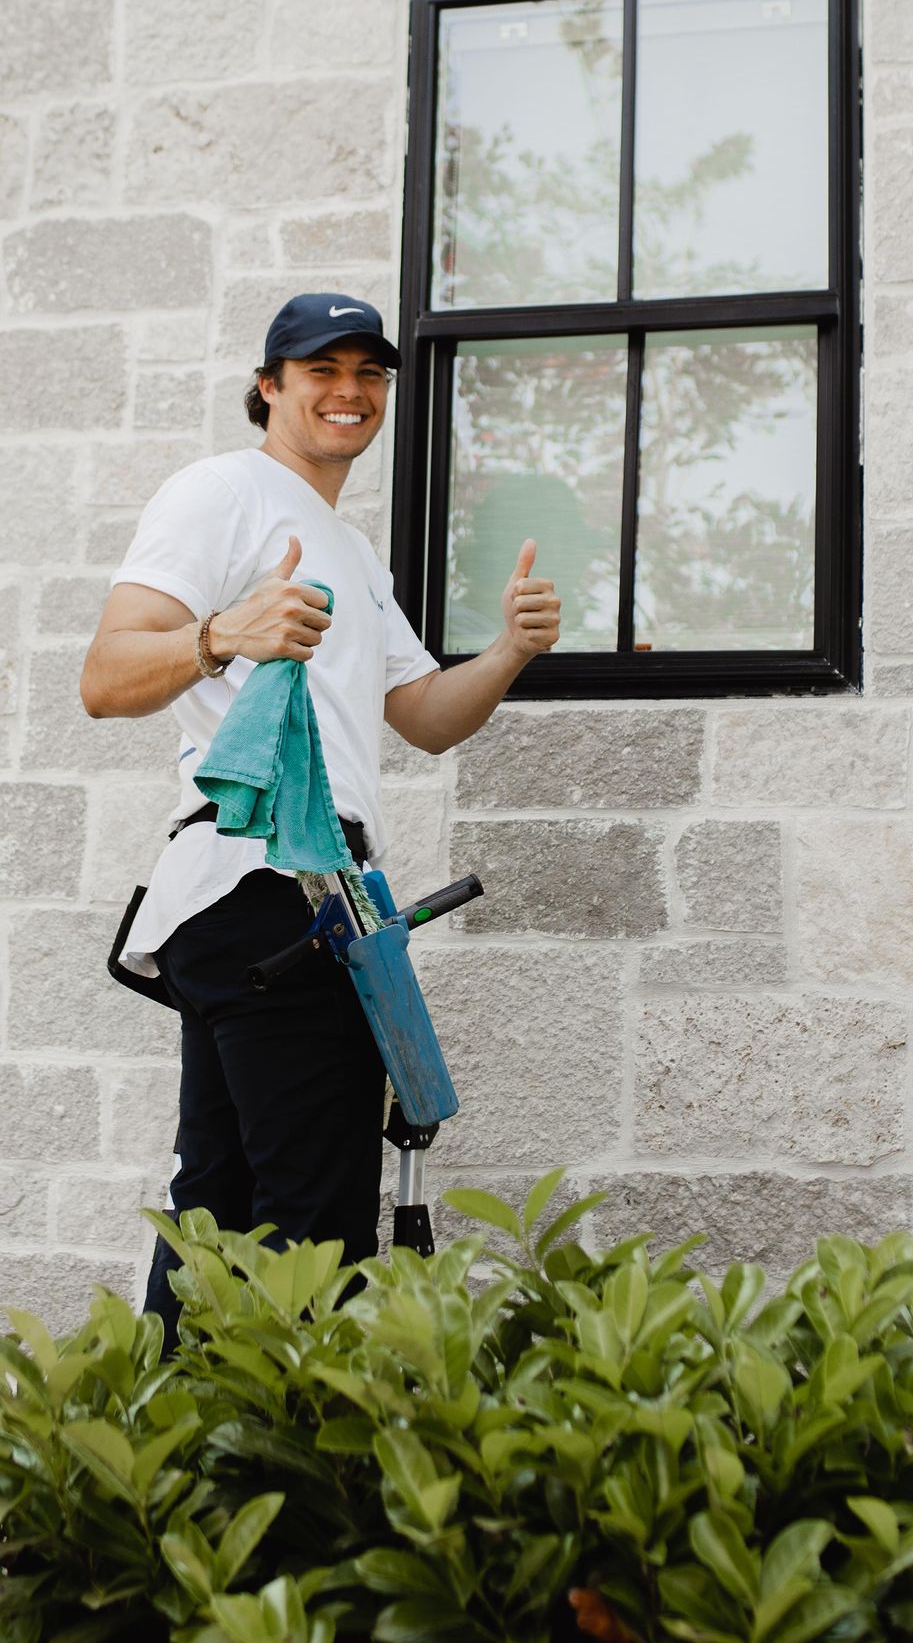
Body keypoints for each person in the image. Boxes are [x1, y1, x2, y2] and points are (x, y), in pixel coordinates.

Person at [80, 292, 561, 1348]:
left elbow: (425, 716)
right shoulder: (223, 489)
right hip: (266, 886)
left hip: (293, 897)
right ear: (269, 386)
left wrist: (509, 652)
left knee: (220, 1203)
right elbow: (106, 677)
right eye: (321, 370)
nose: (350, 392)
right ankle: (298, 1450)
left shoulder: (351, 552)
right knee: (318, 1217)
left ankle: (156, 1426)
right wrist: (221, 634)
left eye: (368, 373)